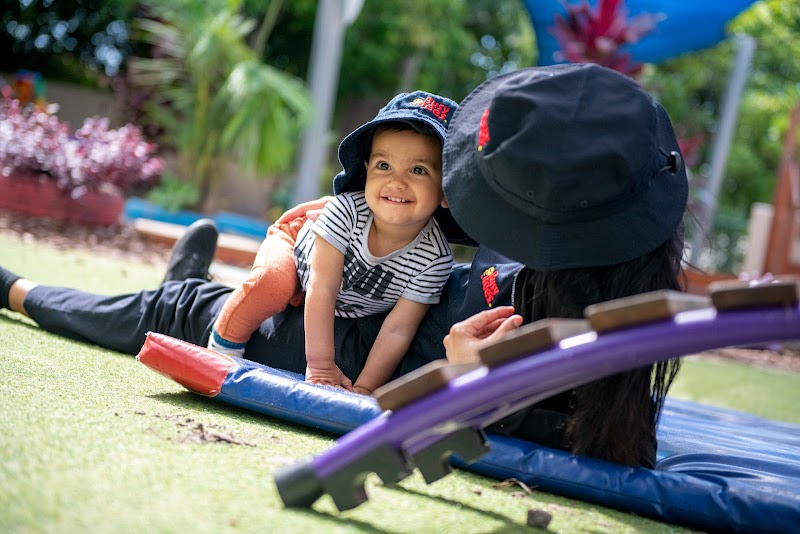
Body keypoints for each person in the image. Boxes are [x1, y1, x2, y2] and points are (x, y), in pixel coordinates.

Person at [0, 63, 688, 468]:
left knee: (173, 311)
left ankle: (18, 290)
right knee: (247, 277)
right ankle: (199, 274)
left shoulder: (521, 362)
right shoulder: (613, 320)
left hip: (326, 342)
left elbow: (397, 416)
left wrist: (459, 378)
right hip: (351, 291)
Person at [207, 91, 458, 394]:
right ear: (366, 171)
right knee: (272, 283)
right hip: (298, 247)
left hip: (345, 300)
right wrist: (321, 365)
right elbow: (322, 288)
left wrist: (365, 387)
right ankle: (221, 347)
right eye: (383, 166)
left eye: (418, 170)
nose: (397, 181)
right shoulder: (346, 212)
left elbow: (397, 329)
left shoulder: (435, 259)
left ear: (446, 191)